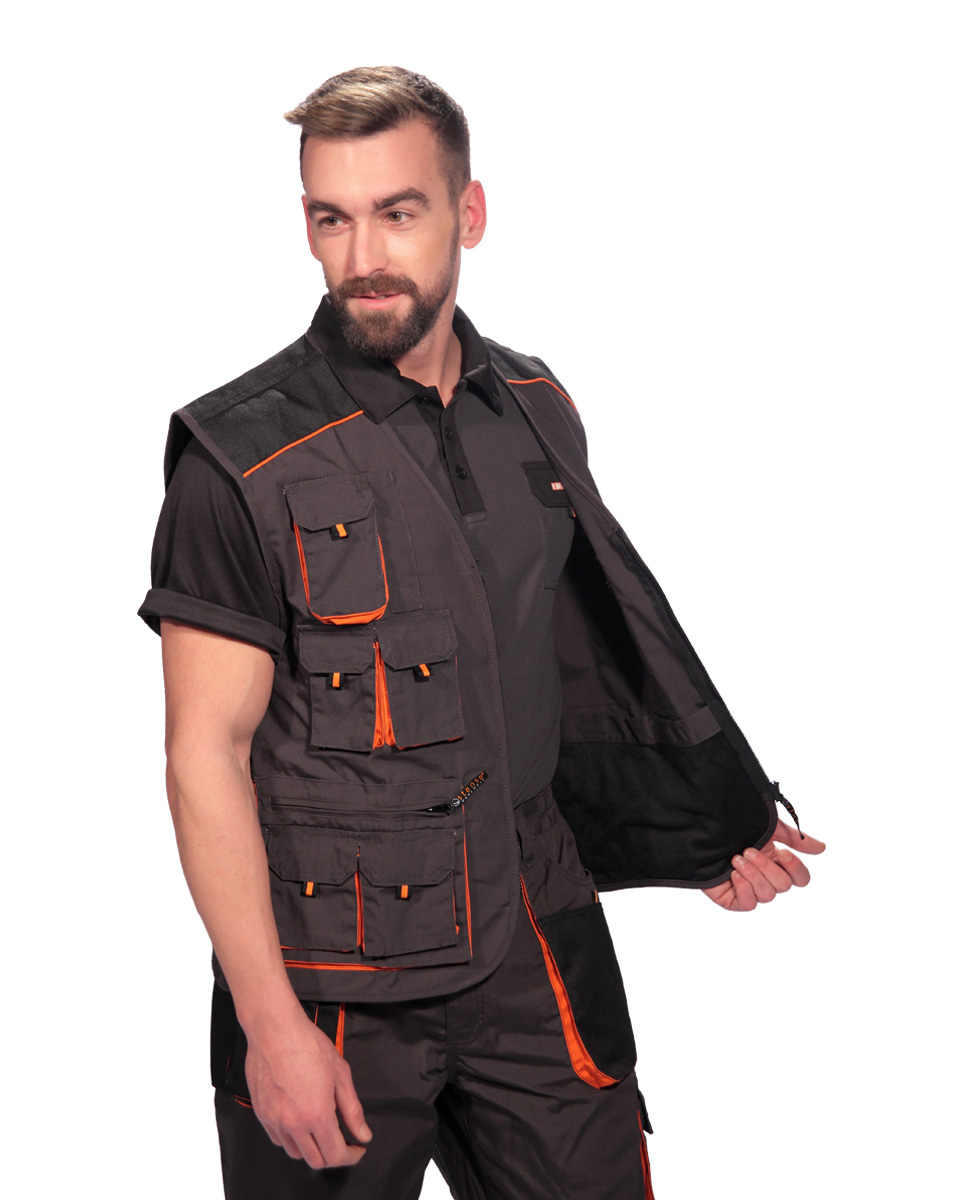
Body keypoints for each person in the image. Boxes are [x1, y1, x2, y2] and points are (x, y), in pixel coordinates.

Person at [139, 66, 824, 1200]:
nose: (363, 255)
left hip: (536, 931)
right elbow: (200, 754)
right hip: (332, 973)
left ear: (469, 213)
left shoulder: (535, 407)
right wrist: (270, 1024)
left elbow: (571, 658)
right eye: (331, 218)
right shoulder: (237, 459)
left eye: (397, 212)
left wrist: (695, 831)